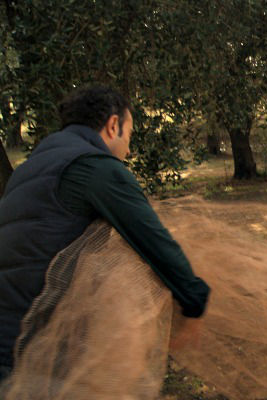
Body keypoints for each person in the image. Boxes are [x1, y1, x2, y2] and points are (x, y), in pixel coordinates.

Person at [0, 85, 210, 381]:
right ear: (113, 126)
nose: (128, 149)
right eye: (129, 135)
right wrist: (195, 301)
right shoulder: (94, 168)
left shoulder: (29, 168)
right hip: (31, 347)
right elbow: (152, 241)